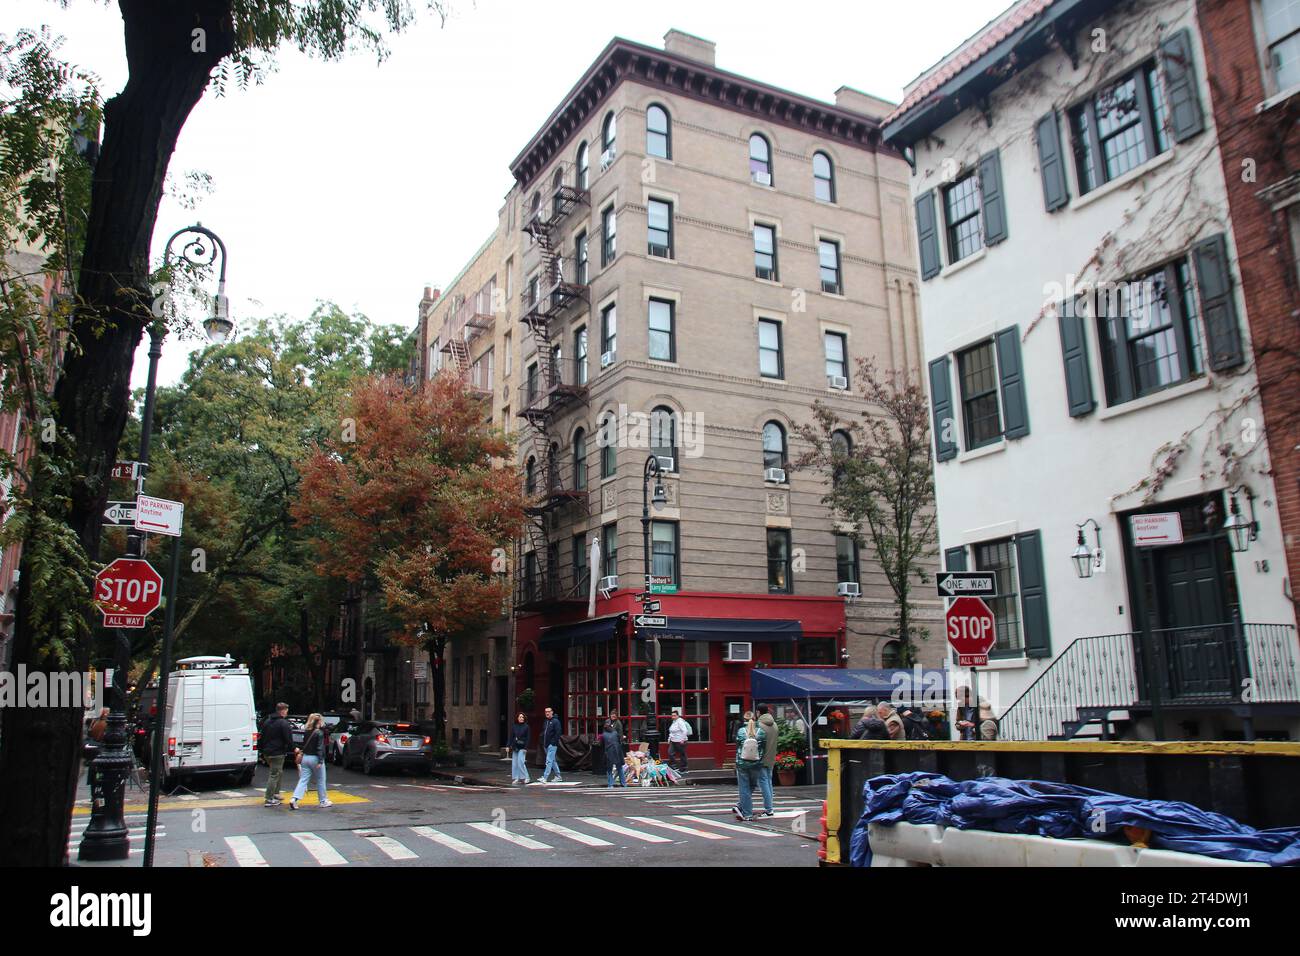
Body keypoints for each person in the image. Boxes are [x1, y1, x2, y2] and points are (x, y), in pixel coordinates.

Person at [289, 713, 331, 810]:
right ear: (319, 721)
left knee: (303, 780)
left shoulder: (307, 731)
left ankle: (294, 799)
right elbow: (320, 747)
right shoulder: (319, 733)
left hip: (305, 758)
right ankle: (323, 801)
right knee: (320, 780)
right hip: (315, 758)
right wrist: (320, 761)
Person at [732, 711, 766, 822]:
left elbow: (738, 747)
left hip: (742, 763)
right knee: (752, 785)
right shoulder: (761, 732)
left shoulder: (741, 731)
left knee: (744, 787)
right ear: (755, 719)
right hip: (756, 763)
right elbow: (763, 749)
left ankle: (746, 812)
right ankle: (742, 807)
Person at [260, 702, 295, 807]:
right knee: (274, 774)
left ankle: (275, 793)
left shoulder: (267, 721)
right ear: (283, 711)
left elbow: (262, 736)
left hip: (267, 752)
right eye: (286, 711)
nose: (287, 713)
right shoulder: (283, 723)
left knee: (278, 772)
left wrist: (262, 750)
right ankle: (269, 798)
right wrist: (294, 748)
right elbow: (288, 738)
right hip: (278, 752)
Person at [755, 704, 778, 818]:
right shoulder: (774, 724)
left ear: (759, 712)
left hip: (761, 758)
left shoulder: (759, 726)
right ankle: (770, 807)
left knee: (763, 783)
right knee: (768, 782)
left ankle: (769, 809)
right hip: (771, 757)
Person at [539, 706, 563, 783]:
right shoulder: (546, 721)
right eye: (546, 712)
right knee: (552, 761)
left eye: (549, 711)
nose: (547, 713)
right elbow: (544, 732)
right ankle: (558, 776)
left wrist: (553, 743)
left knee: (549, 761)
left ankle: (545, 777)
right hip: (546, 744)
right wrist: (542, 740)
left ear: (552, 712)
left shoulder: (556, 721)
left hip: (552, 745)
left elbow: (558, 733)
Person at [602, 720, 626, 788]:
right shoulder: (615, 733)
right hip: (617, 752)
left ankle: (610, 784)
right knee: (619, 768)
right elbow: (619, 741)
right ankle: (623, 783)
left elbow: (601, 745)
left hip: (609, 752)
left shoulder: (604, 735)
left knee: (609, 769)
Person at [509, 712, 531, 785]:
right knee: (515, 763)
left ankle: (526, 777)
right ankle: (516, 778)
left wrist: (525, 747)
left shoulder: (526, 727)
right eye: (520, 717)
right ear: (517, 718)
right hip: (515, 746)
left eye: (522, 717)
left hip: (522, 747)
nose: (521, 718)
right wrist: (508, 745)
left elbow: (528, 738)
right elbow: (511, 737)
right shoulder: (514, 726)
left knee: (521, 762)